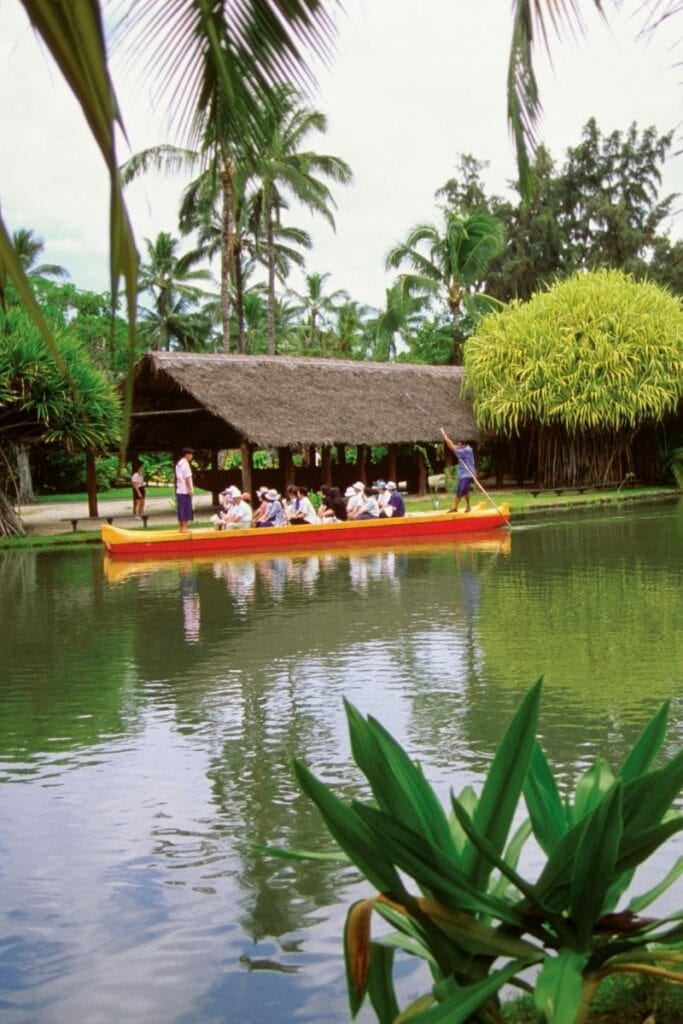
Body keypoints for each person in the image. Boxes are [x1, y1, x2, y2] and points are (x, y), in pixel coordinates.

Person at [440, 428, 476, 512]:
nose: (458, 446)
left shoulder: (466, 450)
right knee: (465, 491)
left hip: (467, 474)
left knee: (460, 490)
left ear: (463, 445)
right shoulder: (463, 448)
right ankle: (468, 507)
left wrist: (445, 437)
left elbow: (452, 447)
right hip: (464, 474)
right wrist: (447, 439)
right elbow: (451, 446)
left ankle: (455, 507)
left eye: (459, 445)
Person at [175, 447, 195, 532]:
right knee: (186, 508)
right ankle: (185, 527)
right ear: (187, 455)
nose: (192, 456)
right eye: (191, 454)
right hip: (185, 490)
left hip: (180, 490)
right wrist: (190, 490)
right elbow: (187, 478)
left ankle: (180, 527)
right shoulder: (185, 464)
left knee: (181, 509)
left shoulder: (178, 464)